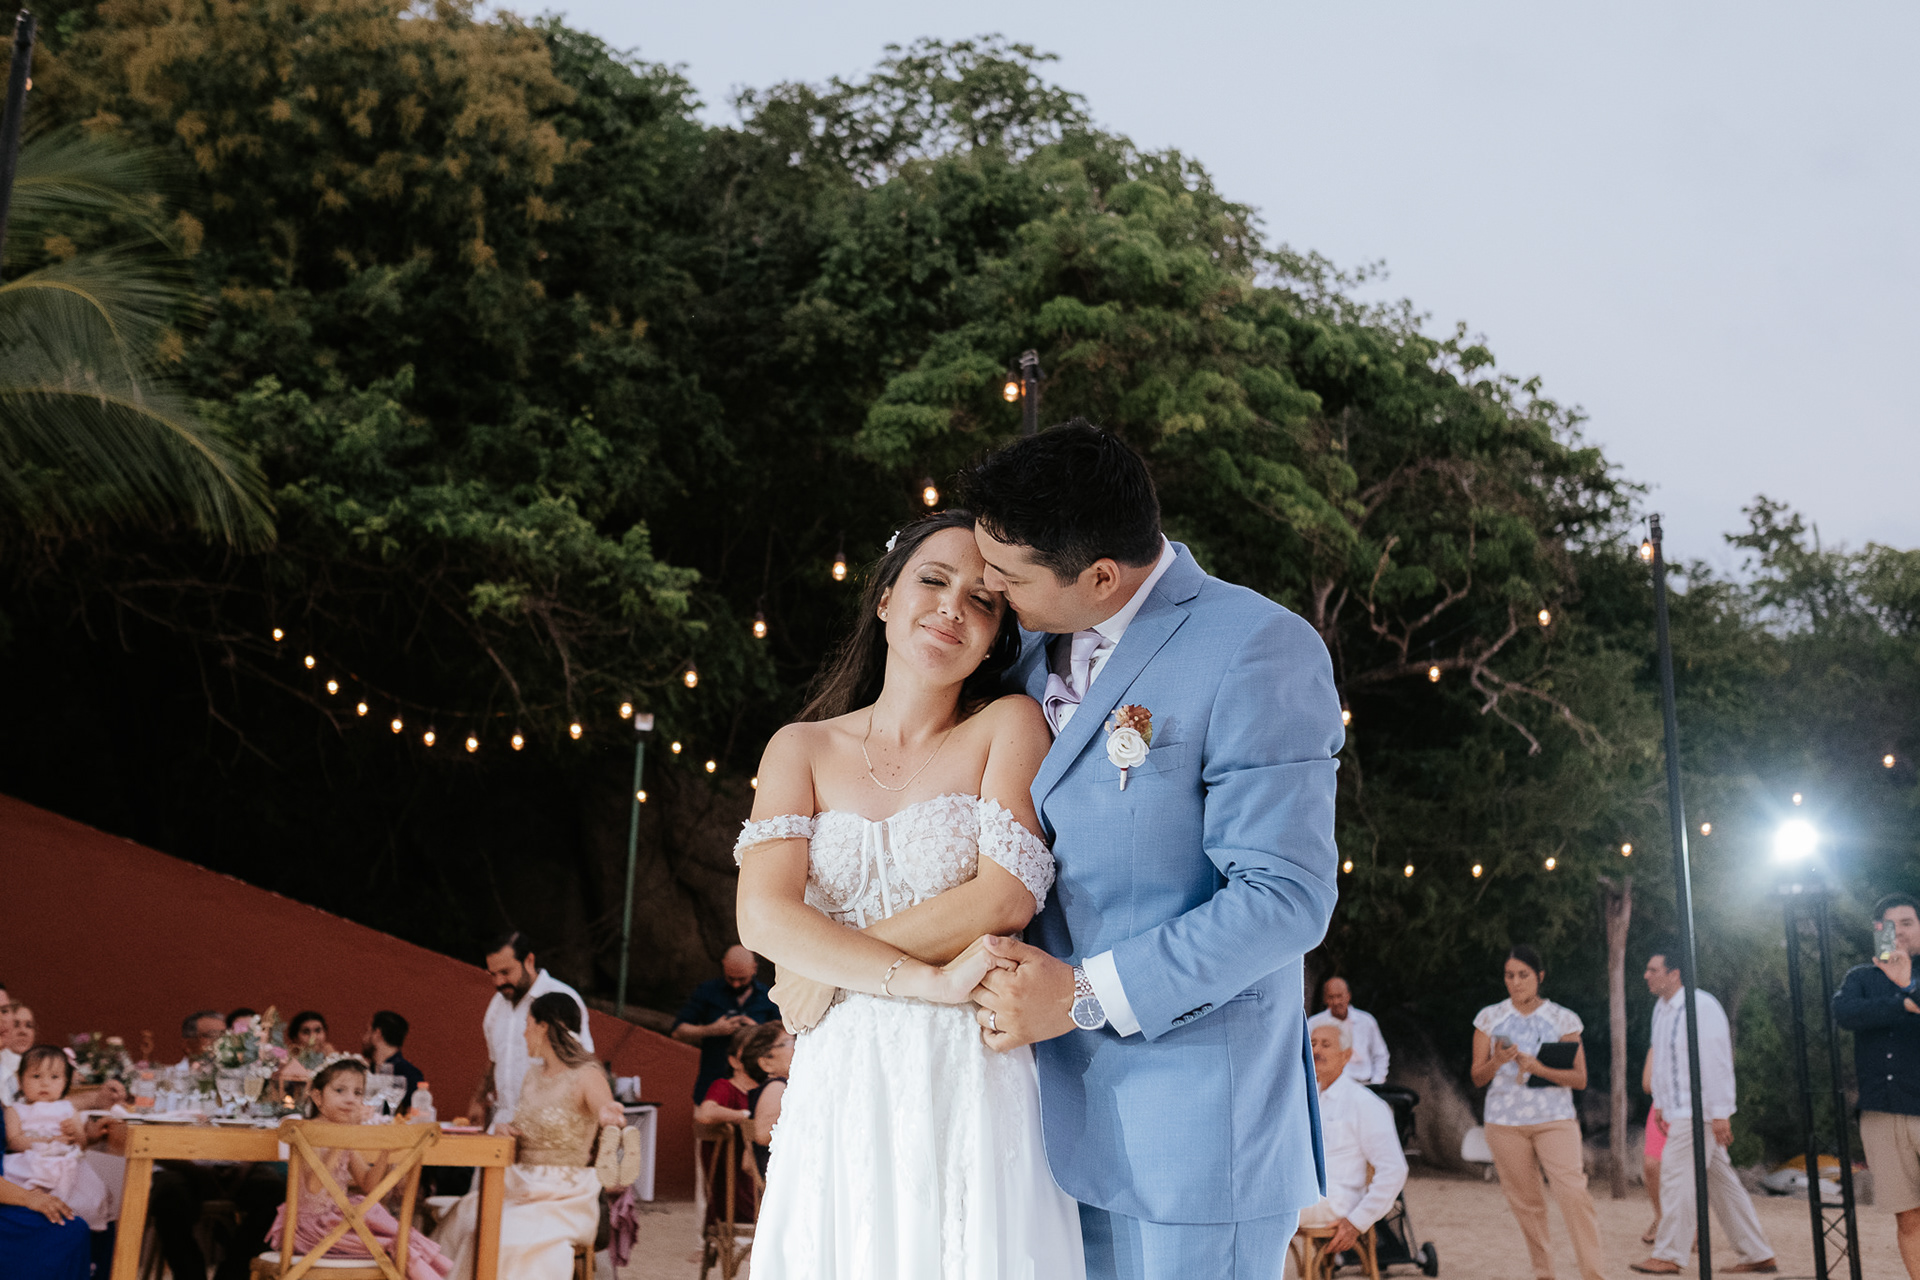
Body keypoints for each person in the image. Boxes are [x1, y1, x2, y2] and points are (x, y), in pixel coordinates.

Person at [959, 422, 1342, 1280]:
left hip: (1191, 1144)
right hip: (1034, 1132)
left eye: (1009, 574)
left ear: (1101, 576)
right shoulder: (1020, 652)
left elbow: (1284, 898)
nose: (989, 587)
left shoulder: (1256, 646)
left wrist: (1083, 997)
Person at [734, 507, 1086, 1278]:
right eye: (934, 580)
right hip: (840, 1072)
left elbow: (1003, 899)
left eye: (982, 599)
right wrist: (923, 978)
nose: (953, 607)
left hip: (967, 1065)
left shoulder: (1009, 725)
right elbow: (761, 913)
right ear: (887, 598)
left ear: (996, 636)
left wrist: (826, 966)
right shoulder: (801, 748)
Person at [436, 993, 625, 1279]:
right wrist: (504, 1129)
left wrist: (610, 1115)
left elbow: (606, 1111)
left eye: (527, 1024)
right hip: (519, 1182)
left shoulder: (587, 1075)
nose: (523, 1033)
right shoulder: (532, 1076)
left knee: (503, 1236)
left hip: (562, 1193)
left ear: (543, 1026)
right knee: (464, 1220)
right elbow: (526, 1125)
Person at [1630, 947, 1777, 1275]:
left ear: (1674, 974)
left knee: (1674, 1175)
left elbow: (1717, 1059)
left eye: (1654, 970)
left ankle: (1669, 1254)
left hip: (1700, 1109)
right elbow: (1665, 1061)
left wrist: (1721, 1112)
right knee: (1723, 1184)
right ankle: (1757, 1253)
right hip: (1677, 1109)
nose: (1646, 975)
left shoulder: (1702, 1006)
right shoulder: (1660, 1009)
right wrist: (1662, 1104)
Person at [1470, 945, 1606, 1280]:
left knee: (1573, 1193)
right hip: (1504, 1122)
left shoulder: (1563, 1018)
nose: (1515, 982)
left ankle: (1594, 1275)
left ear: (1539, 977)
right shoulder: (1489, 1018)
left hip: (1554, 1119)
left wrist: (1538, 1068)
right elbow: (1477, 1077)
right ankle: (1544, 1273)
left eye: (1523, 975)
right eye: (1509, 975)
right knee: (1526, 1204)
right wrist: (1497, 1060)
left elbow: (1580, 1078)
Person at [1833, 892, 1920, 1279]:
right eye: (1890, 925)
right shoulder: (1861, 977)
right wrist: (1902, 1003)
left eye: (1907, 923)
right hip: (1881, 1111)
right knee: (1908, 1216)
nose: (1898, 932)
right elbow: (1845, 1012)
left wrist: (1907, 984)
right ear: (1877, 930)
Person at [1297, 1020, 1407, 1265]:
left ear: (1346, 1056)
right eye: (1312, 1043)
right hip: (1303, 1193)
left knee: (1262, 1209)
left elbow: (1394, 1170)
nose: (1316, 1050)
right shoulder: (1306, 1099)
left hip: (1337, 1200)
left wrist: (1358, 1221)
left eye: (1326, 1044)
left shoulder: (1364, 1103)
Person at [466, 931, 593, 1133]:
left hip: (549, 1128)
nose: (498, 982)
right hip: (504, 1125)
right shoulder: (496, 1005)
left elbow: (582, 1062)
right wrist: (479, 1099)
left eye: (505, 972)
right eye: (493, 974)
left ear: (529, 961)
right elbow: (495, 1059)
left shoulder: (561, 998)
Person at [5, 1046, 114, 1233]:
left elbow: (81, 1145)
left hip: (66, 1165)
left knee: (88, 1198)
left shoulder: (67, 1109)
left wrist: (76, 1133)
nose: (45, 1083)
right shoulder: (15, 1110)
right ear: (20, 1081)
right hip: (31, 1163)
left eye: (54, 1077)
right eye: (36, 1076)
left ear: (65, 1082)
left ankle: (75, 1224)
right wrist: (49, 1140)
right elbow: (14, 1141)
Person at [672, 945, 780, 1103]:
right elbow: (678, 1032)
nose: (736, 984)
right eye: (731, 978)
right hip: (712, 1083)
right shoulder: (707, 991)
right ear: (723, 966)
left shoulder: (768, 996)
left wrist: (757, 1031)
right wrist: (712, 1030)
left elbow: (784, 1037)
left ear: (754, 968)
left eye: (742, 979)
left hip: (755, 1089)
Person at [1308, 977, 1390, 1085]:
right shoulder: (1314, 1023)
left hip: (1363, 1084)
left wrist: (1376, 1082)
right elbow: (1308, 1057)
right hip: (1328, 1086)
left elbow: (1380, 1055)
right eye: (1331, 997)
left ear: (1348, 996)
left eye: (1339, 996)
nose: (1336, 1002)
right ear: (1325, 999)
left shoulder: (1366, 1021)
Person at [742, 1023, 793, 1179]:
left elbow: (746, 1163)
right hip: (785, 1180)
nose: (798, 1046)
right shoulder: (776, 1087)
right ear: (766, 1063)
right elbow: (764, 1134)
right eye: (790, 1042)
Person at [691, 1023, 761, 1127]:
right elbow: (705, 1113)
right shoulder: (725, 1087)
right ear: (733, 1061)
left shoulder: (767, 1089)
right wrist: (745, 1115)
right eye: (751, 1052)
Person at [363, 1011, 425, 1115]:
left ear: (377, 1034)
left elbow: (417, 1114)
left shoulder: (408, 1073)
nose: (364, 1038)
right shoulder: (365, 1069)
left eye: (368, 1031)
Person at [1640, 1054, 1666, 1246]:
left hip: (1691, 1109)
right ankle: (1660, 1217)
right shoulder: (1657, 1044)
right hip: (1662, 1107)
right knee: (1651, 1165)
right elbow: (1647, 1084)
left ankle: (1694, 1225)